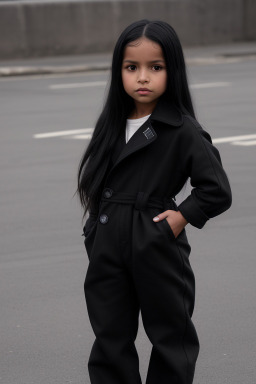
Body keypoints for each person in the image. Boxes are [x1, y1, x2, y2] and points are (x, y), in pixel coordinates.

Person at [77, 19, 232, 384]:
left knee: (170, 335)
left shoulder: (182, 129)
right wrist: (94, 229)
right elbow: (98, 181)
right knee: (109, 337)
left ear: (172, 71)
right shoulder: (112, 123)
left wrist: (180, 218)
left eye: (155, 67)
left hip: (155, 241)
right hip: (108, 241)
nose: (142, 78)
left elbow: (217, 189)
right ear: (119, 72)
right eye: (132, 67)